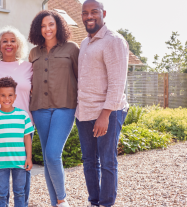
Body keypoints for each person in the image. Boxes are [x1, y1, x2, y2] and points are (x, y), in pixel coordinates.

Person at [77, 1, 129, 207]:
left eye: (94, 12)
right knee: (89, 161)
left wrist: (105, 114)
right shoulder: (84, 43)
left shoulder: (113, 41)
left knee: (107, 161)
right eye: (85, 13)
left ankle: (106, 203)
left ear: (103, 14)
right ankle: (94, 201)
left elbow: (117, 82)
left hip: (108, 111)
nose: (89, 16)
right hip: (84, 112)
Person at [28, 10, 80, 207]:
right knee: (49, 159)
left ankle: (62, 199)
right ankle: (55, 203)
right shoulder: (34, 53)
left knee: (52, 154)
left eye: (50, 24)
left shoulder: (72, 49)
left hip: (64, 107)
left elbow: (80, 77)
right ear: (37, 29)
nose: (47, 29)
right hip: (39, 108)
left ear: (58, 25)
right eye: (42, 26)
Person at [0, 25, 34, 206]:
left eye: (13, 41)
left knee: (22, 178)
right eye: (4, 41)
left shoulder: (29, 67)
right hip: (0, 127)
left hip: (23, 125)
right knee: (2, 184)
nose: (9, 44)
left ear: (19, 44)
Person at [0, 77, 34, 207]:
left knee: (19, 192)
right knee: (1, 193)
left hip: (20, 162)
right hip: (1, 163)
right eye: (3, 95)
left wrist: (29, 157)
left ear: (15, 96)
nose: (7, 99)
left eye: (10, 95)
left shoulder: (23, 115)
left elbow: (27, 138)